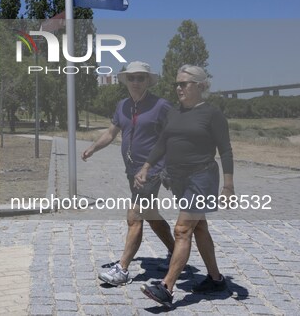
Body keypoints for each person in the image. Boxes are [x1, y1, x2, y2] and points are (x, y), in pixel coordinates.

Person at [137, 65, 235, 308]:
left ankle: (166, 288)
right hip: (179, 180)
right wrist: (147, 166)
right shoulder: (174, 113)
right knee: (199, 227)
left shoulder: (212, 114)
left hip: (202, 179)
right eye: (177, 84)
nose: (178, 88)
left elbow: (225, 150)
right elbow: (162, 142)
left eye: (184, 84)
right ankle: (216, 279)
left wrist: (228, 187)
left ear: (200, 86)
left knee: (182, 230)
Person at [81, 61, 175, 286]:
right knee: (151, 216)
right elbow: (112, 132)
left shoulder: (161, 106)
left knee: (134, 217)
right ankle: (176, 251)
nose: (135, 82)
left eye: (140, 78)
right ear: (126, 81)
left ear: (147, 81)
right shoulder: (123, 105)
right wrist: (93, 148)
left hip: (151, 172)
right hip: (132, 171)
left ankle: (122, 269)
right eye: (131, 78)